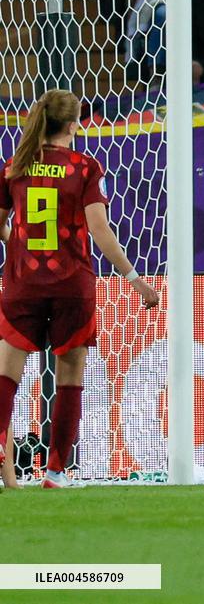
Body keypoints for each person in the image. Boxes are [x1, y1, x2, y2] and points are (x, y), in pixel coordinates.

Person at [0, 90, 160, 489]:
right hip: (72, 283)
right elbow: (99, 230)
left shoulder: (15, 166)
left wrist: (16, 239)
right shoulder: (84, 166)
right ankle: (55, 472)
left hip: (23, 283)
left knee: (6, 375)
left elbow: (0, 223)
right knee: (70, 374)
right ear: (73, 125)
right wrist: (134, 278)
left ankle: (2, 453)